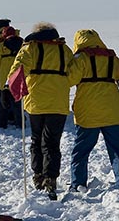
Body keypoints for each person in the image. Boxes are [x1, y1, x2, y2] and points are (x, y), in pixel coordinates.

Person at [6, 22, 73, 199]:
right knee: (52, 142)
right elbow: (72, 74)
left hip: (36, 102)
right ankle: (51, 177)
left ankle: (38, 174)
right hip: (58, 103)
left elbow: (17, 70)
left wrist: (11, 89)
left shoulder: (30, 49)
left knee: (37, 139)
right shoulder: (64, 50)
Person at [67, 29, 119, 194]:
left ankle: (78, 183)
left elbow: (69, 79)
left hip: (88, 112)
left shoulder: (80, 58)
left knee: (81, 150)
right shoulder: (110, 56)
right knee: (117, 148)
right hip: (112, 110)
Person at [0, 26, 23, 128]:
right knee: (18, 101)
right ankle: (20, 123)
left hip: (4, 77)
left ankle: (2, 123)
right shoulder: (23, 45)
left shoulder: (0, 47)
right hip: (18, 76)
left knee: (3, 100)